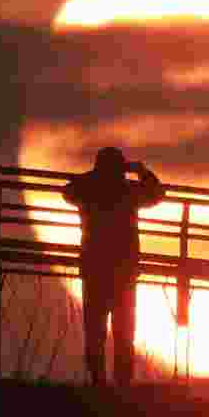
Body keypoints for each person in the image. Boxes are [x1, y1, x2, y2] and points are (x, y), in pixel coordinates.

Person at [62, 147, 165, 387]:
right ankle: (123, 385)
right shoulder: (128, 191)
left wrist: (92, 176)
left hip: (94, 267)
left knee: (95, 331)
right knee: (124, 332)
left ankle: (99, 382)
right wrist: (141, 172)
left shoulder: (88, 189)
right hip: (124, 270)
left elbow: (67, 191)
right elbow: (158, 194)